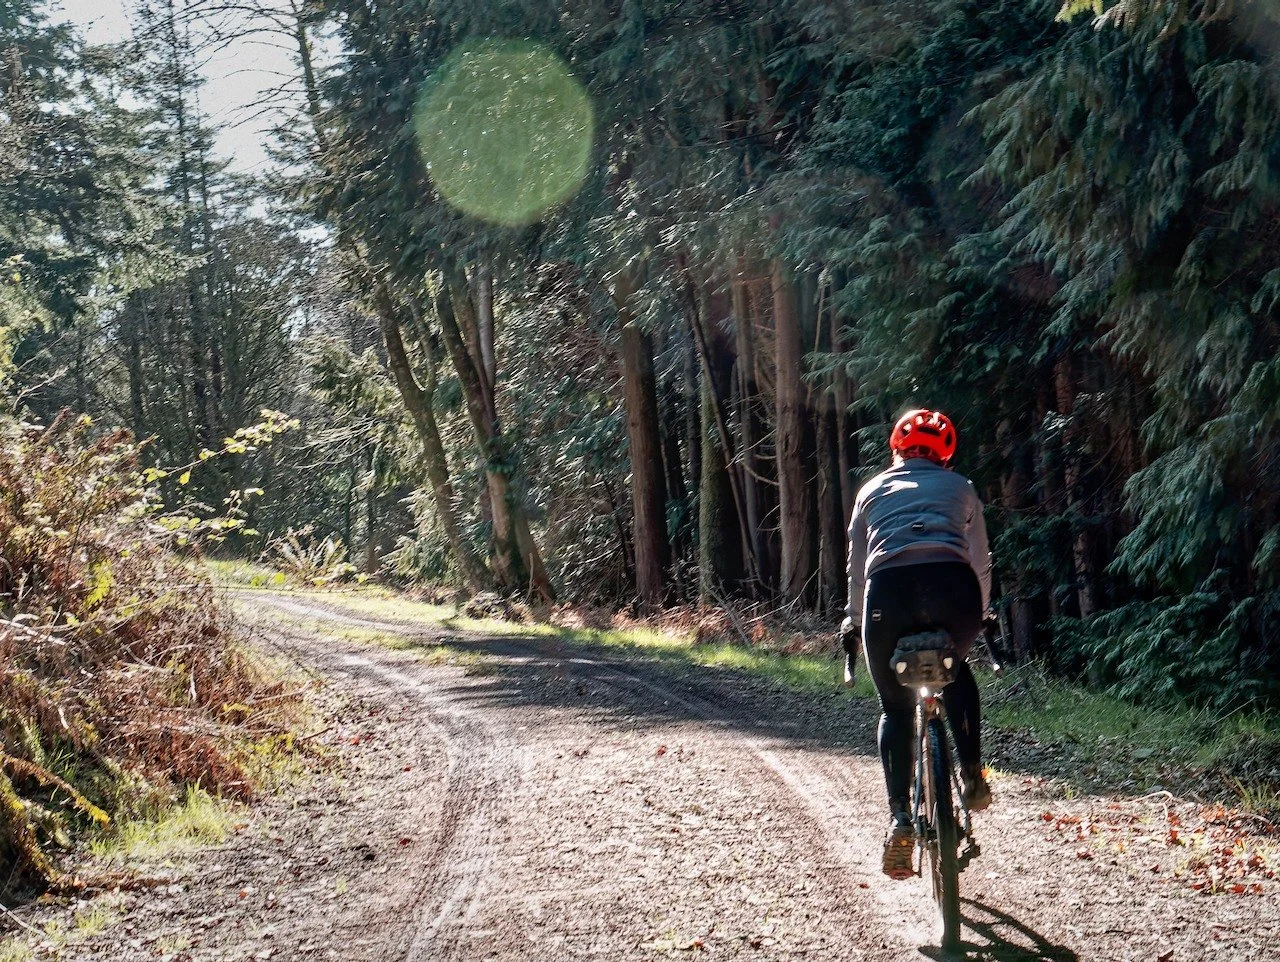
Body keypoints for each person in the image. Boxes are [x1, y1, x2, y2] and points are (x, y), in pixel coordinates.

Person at [840, 408, 993, 880]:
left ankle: (901, 819)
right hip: (955, 590)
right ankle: (970, 774)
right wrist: (980, 615)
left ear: (896, 449)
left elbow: (859, 569)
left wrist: (853, 620)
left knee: (897, 708)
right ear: (945, 454)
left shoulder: (870, 491)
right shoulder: (962, 488)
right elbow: (980, 560)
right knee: (958, 672)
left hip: (889, 596)